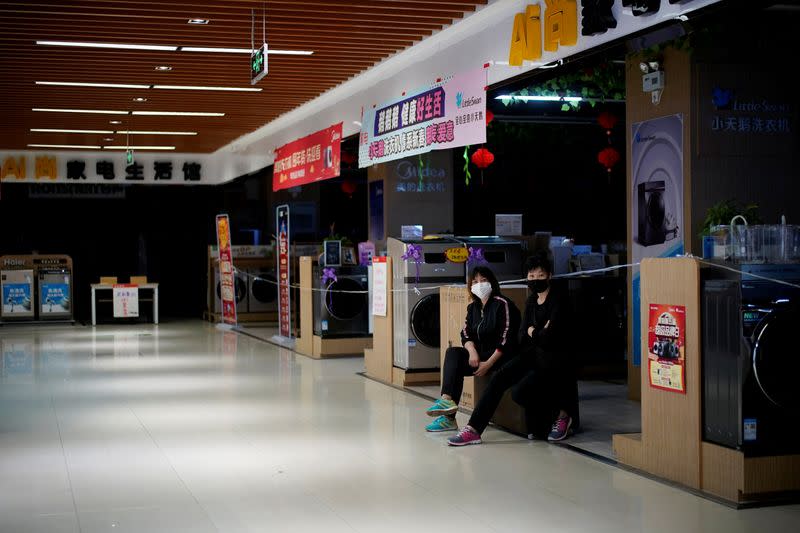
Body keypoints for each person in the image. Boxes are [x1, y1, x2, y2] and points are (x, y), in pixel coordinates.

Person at [447, 252, 577, 446]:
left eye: (540, 275)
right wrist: (538, 331)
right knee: (499, 378)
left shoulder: (559, 300)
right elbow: (523, 334)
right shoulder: (531, 301)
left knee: (519, 392)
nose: (535, 280)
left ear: (549, 276)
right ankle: (473, 429)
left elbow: (551, 338)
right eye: (531, 276)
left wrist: (536, 332)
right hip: (532, 354)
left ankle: (563, 415)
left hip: (555, 357)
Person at [424, 266, 520, 433]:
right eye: (475, 281)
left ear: (492, 282)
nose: (479, 284)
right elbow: (466, 333)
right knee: (453, 353)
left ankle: (449, 414)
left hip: (501, 357)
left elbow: (507, 339)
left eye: (483, 280)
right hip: (481, 355)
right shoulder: (473, 307)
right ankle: (447, 406)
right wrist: (472, 351)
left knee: (461, 359)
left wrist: (488, 364)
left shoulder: (502, 304)